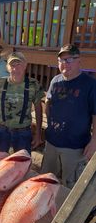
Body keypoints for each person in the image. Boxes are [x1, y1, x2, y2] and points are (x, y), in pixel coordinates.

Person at [41, 44, 96, 188]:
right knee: (45, 180)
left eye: (69, 59)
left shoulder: (90, 84)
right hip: (52, 142)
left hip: (75, 147)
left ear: (79, 61)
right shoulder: (55, 80)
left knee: (70, 185)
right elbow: (48, 103)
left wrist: (95, 139)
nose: (65, 63)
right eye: (61, 60)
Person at [0, 52, 45, 154]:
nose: (15, 68)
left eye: (18, 64)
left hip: (23, 133)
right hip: (2, 131)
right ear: (7, 67)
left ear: (25, 65)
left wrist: (38, 134)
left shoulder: (33, 84)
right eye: (12, 65)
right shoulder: (0, 84)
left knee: (21, 163)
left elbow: (38, 110)